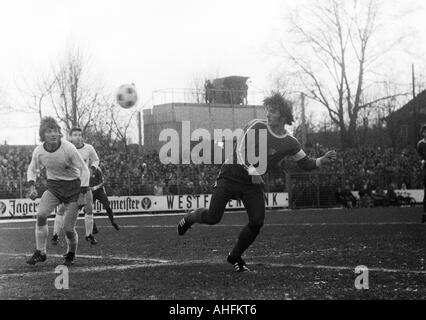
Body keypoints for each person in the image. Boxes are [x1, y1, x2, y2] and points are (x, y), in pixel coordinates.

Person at [177, 93, 336, 272]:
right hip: (231, 175)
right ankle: (190, 217)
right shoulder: (257, 125)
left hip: (252, 184)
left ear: (283, 116)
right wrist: (252, 170)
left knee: (257, 221)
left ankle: (235, 257)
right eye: (268, 110)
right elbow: (239, 150)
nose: (268, 114)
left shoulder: (291, 142)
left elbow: (305, 163)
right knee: (213, 217)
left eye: (273, 111)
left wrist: (320, 160)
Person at [26, 117, 90, 266]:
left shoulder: (68, 148)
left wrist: (82, 194)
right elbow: (32, 168)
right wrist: (32, 186)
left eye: (55, 130)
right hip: (54, 187)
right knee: (41, 215)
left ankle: (71, 253)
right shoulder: (39, 151)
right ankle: (40, 252)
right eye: (49, 131)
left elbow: (84, 170)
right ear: (43, 134)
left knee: (68, 229)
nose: (53, 134)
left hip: (73, 189)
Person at [51, 127, 100, 245]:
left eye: (79, 134)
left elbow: (96, 160)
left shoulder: (89, 148)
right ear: (71, 137)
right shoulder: (66, 149)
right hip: (71, 185)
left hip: (84, 184)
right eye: (75, 135)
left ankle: (89, 235)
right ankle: (55, 234)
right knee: (62, 209)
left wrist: (92, 168)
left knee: (89, 209)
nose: (78, 137)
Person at [90, 166, 120, 230]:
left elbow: (103, 182)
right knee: (87, 210)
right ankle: (94, 227)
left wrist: (96, 187)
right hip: (91, 192)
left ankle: (113, 222)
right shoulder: (86, 169)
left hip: (100, 191)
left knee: (107, 206)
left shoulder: (97, 169)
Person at [416, 125, 426, 223]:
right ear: (422, 133)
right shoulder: (420, 144)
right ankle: (424, 214)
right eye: (424, 132)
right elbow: (419, 156)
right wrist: (422, 161)